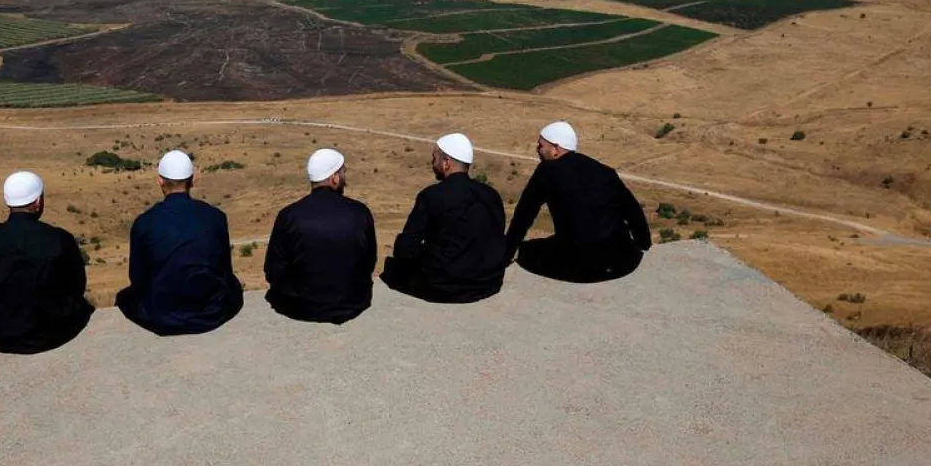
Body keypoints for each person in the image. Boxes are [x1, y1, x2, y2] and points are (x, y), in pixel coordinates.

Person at [504, 121, 652, 283]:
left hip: (583, 266)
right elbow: (632, 209)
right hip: (625, 262)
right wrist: (643, 243)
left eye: (541, 145)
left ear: (556, 149)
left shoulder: (546, 171)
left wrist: (507, 252)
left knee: (527, 250)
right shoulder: (603, 170)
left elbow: (524, 215)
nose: (537, 150)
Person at [116, 150, 244, 336]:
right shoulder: (215, 216)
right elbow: (224, 269)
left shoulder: (144, 222)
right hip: (211, 311)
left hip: (161, 316)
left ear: (160, 181)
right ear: (193, 180)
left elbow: (137, 278)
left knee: (125, 298)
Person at [0, 171, 94, 354]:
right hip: (54, 333)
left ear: (8, 201)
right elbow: (77, 287)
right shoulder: (60, 239)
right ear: (38, 202)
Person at [380, 133, 506, 304]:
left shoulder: (432, 196)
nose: (433, 164)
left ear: (446, 163)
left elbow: (407, 247)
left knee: (393, 268)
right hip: (488, 282)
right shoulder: (491, 194)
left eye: (435, 159)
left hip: (446, 287)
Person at [264, 148, 377, 324]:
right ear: (334, 178)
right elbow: (369, 261)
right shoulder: (360, 212)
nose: (344, 177)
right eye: (343, 172)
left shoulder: (289, 215)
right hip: (353, 303)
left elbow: (273, 269)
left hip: (300, 308)